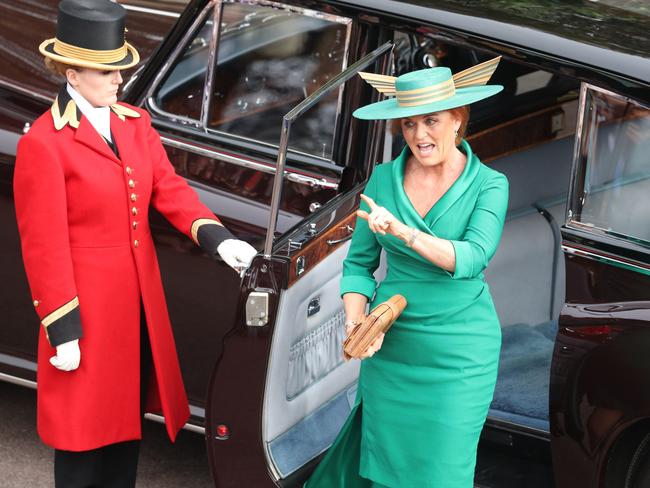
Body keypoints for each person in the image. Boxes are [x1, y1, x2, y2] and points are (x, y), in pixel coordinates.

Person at [13, 1, 257, 486]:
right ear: (72, 74)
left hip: (135, 304)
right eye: (106, 71)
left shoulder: (133, 123)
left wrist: (218, 238)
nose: (117, 79)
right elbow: (44, 246)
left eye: (120, 68)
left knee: (125, 430)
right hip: (84, 310)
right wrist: (62, 327)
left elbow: (169, 190)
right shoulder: (45, 142)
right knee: (82, 434)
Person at [306, 57, 509, 487]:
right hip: (393, 343)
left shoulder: (490, 183)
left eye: (431, 121)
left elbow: (472, 258)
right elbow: (359, 265)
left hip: (460, 348)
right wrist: (356, 321)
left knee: (442, 471)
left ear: (458, 119)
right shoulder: (382, 180)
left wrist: (403, 232)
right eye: (408, 125)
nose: (419, 135)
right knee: (389, 467)